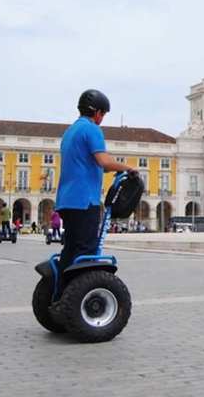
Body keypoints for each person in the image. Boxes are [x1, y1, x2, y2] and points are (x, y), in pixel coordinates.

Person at [54, 89, 137, 299]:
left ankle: (60, 294)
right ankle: (77, 299)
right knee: (85, 252)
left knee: (70, 249)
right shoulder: (92, 130)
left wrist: (114, 167)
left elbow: (100, 164)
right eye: (104, 114)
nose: (103, 119)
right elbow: (103, 160)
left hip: (66, 201)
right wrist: (128, 168)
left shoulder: (71, 131)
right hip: (84, 200)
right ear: (98, 112)